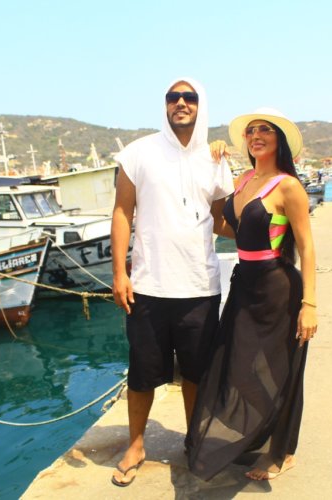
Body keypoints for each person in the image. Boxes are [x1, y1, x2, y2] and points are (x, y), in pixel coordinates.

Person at [109, 77, 234, 487]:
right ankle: (136, 444)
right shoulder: (137, 153)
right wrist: (120, 272)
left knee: (197, 374)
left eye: (189, 97)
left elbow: (221, 219)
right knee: (142, 373)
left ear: (201, 105)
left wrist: (266, 235)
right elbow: (122, 212)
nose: (181, 103)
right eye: (173, 97)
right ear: (165, 104)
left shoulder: (215, 159)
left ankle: (193, 440)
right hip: (149, 286)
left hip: (200, 285)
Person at [187, 108, 318, 481]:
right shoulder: (242, 179)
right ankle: (259, 435)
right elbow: (228, 227)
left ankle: (282, 452)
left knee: (282, 370)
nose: (256, 136)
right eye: (250, 131)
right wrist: (213, 163)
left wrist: (310, 304)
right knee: (236, 365)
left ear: (280, 139)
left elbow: (307, 247)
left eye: (265, 130)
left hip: (278, 289)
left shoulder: (288, 186)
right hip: (244, 285)